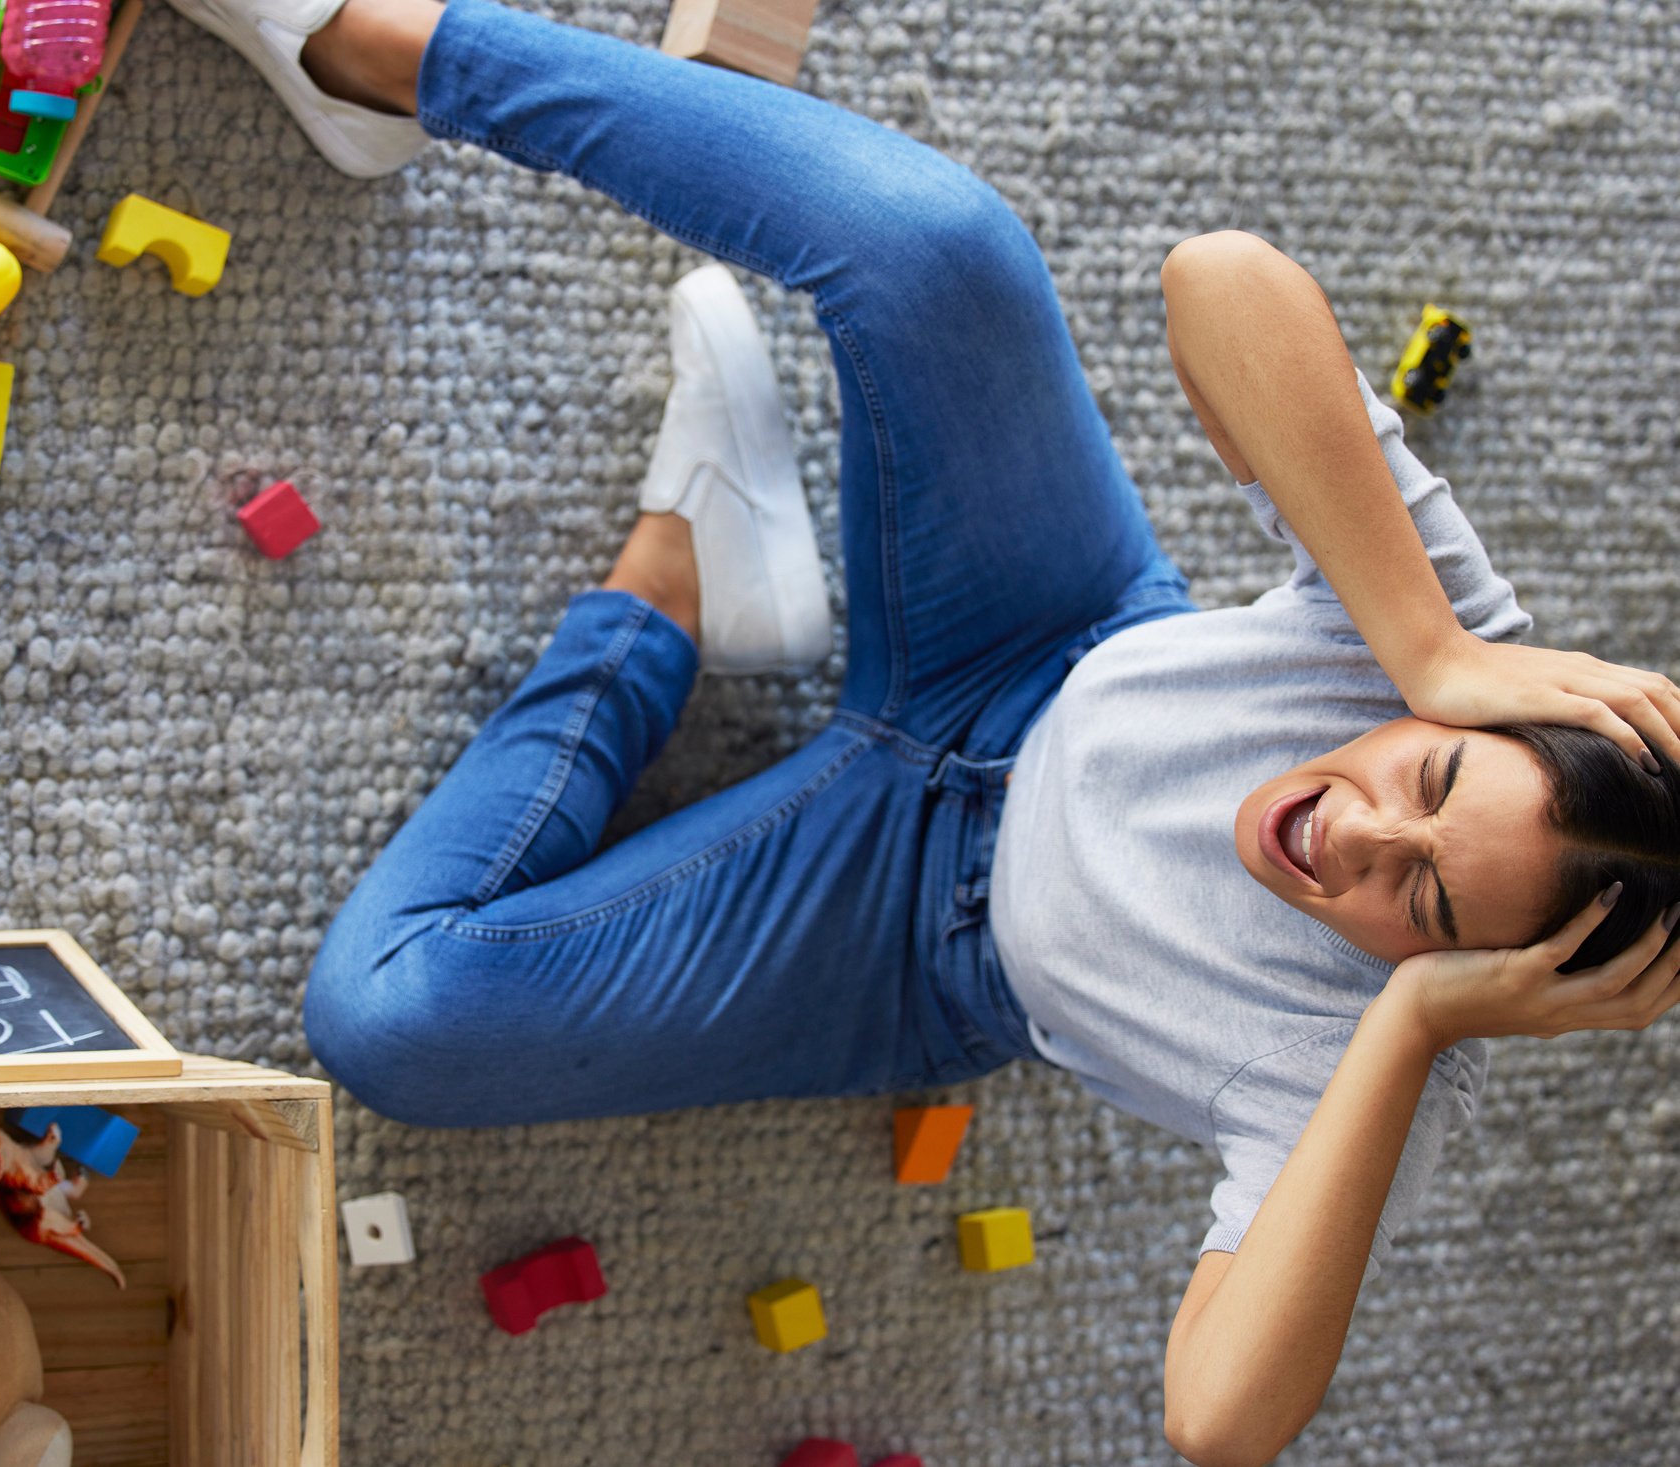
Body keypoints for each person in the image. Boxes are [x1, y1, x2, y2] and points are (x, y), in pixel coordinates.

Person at [164, 0, 1680, 1457]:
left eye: (1416, 897)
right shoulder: (1459, 660)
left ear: (1475, 974)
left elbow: (1220, 1421)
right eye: (1422, 779)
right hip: (1046, 627)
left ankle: (670, 592)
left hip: (909, 942)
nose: (1354, 828)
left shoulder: (1371, 1079)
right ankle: (375, 52)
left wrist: (1411, 1023)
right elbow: (1219, 278)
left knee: (392, 1019)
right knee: (937, 249)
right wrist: (1428, 646)